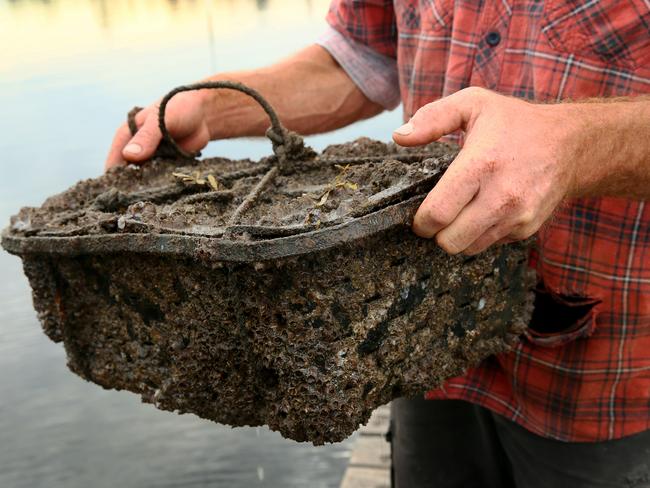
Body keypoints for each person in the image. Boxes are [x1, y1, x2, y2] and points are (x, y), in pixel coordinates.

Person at [106, 1, 650, 486]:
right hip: (417, 335)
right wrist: (210, 107)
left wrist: (575, 145)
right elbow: (359, 56)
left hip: (603, 374)